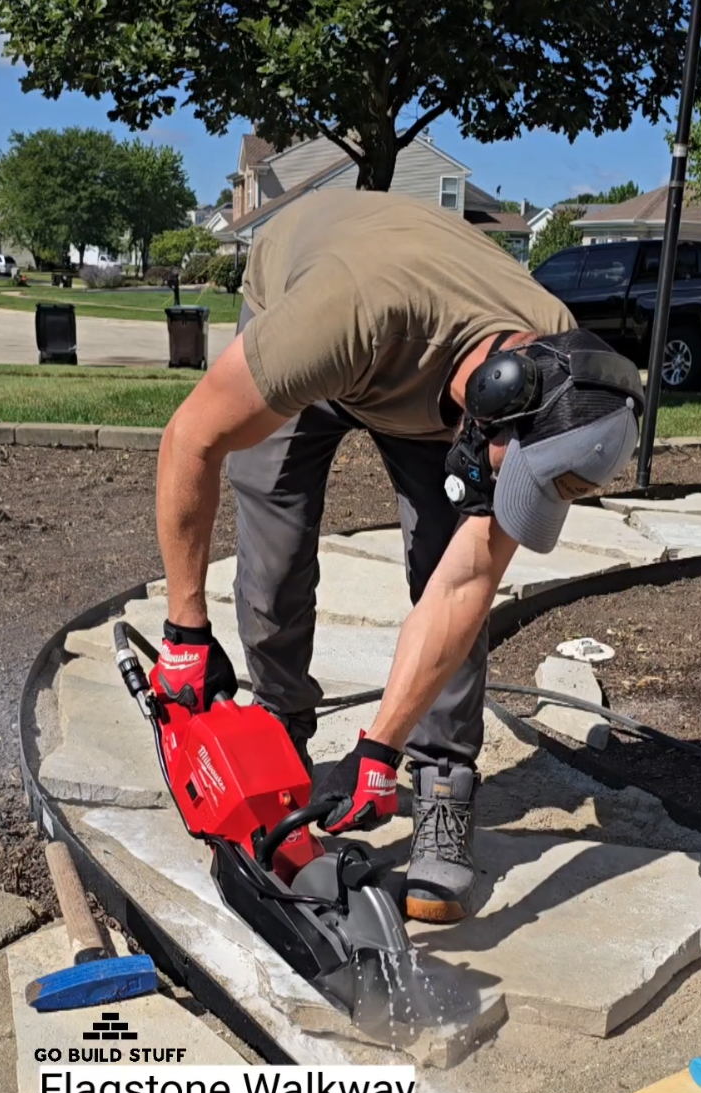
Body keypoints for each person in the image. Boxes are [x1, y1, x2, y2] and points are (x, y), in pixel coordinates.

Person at [151, 189, 643, 924]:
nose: (513, 491)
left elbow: (465, 580)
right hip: (327, 303)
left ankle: (443, 777)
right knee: (276, 548)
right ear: (496, 396)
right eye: (519, 474)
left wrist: (379, 748)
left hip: (425, 375)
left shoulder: (561, 371)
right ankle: (279, 731)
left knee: (443, 555)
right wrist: (185, 632)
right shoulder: (342, 316)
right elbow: (190, 437)